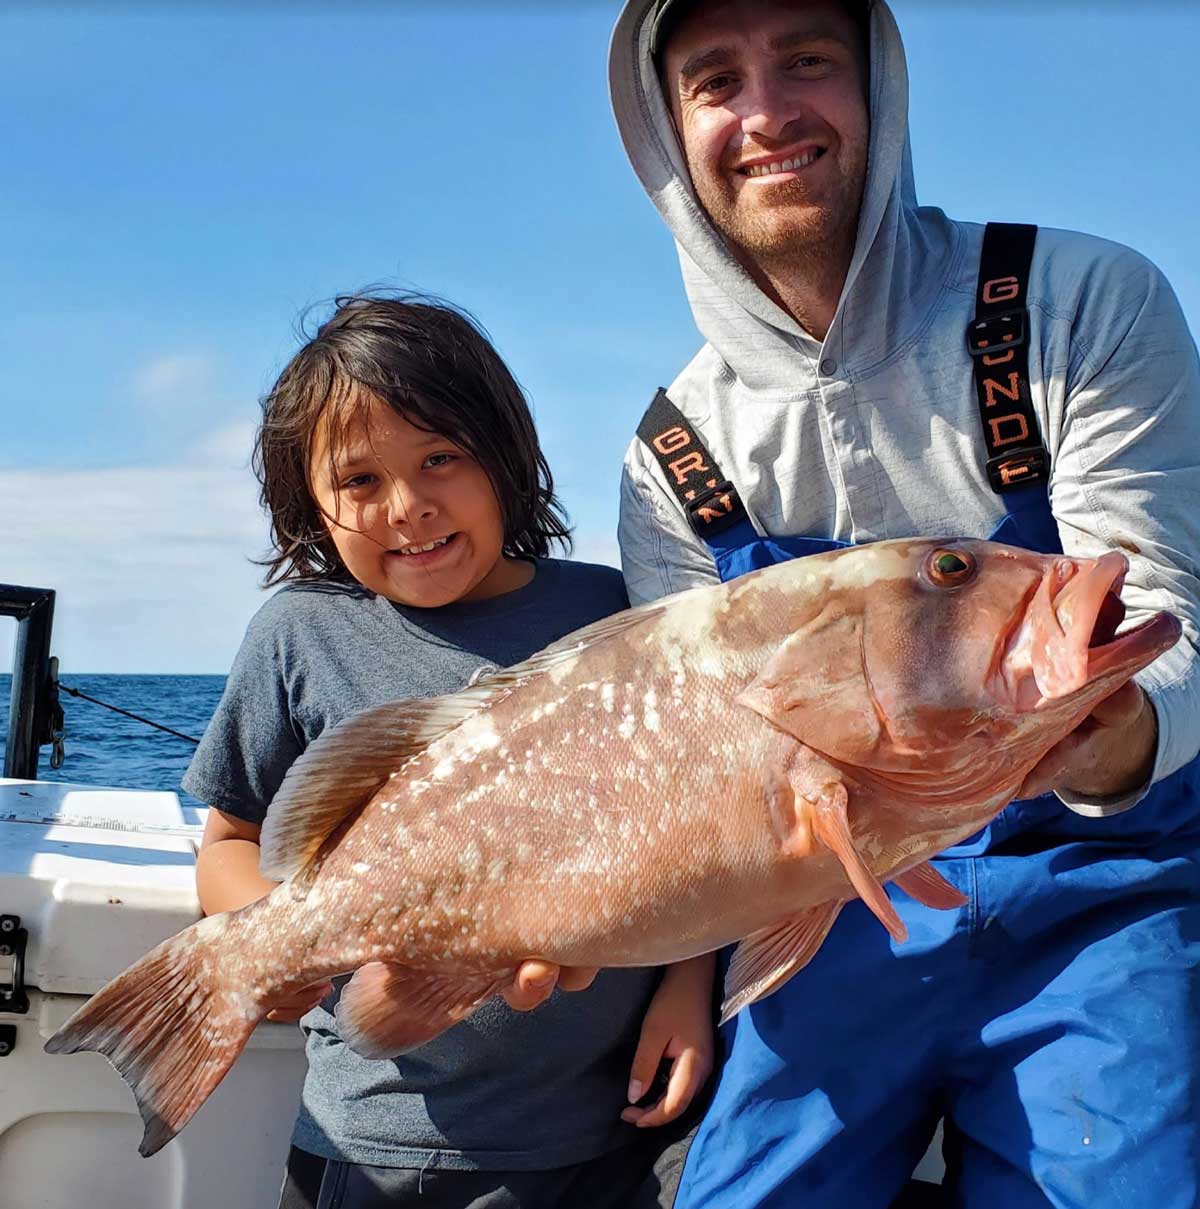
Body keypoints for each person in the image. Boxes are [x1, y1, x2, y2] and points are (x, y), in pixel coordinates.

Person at [607, 0, 1200, 1206]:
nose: (768, 113)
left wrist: (1118, 732)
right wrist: (624, 939)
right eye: (717, 80)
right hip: (833, 911)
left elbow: (1174, 611)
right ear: (669, 133)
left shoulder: (1084, 301)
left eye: (810, 62)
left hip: (1102, 897)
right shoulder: (669, 454)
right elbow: (689, 783)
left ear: (880, 84)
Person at [183, 294, 714, 1209]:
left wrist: (688, 985)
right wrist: (283, 942)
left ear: (502, 457)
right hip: (376, 1135)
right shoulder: (300, 635)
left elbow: (697, 830)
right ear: (308, 501)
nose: (409, 507)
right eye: (358, 482)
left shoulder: (616, 614)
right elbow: (231, 836)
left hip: (609, 1130)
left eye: (441, 458)